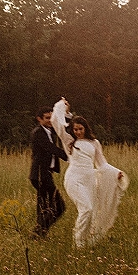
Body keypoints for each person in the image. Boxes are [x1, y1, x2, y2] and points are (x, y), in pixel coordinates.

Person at [51, 97, 128, 248]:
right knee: (86, 209)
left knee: (91, 213)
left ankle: (86, 242)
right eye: (75, 129)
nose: (78, 132)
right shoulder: (69, 142)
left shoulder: (94, 143)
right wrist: (63, 108)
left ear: (85, 128)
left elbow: (102, 164)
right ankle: (78, 243)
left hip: (90, 180)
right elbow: (56, 122)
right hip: (74, 179)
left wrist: (116, 173)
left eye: (80, 129)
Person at [29, 106, 67, 238]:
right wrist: (68, 156)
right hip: (40, 175)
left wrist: (66, 111)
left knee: (43, 206)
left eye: (51, 117)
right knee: (60, 206)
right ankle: (38, 232)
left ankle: (40, 233)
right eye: (47, 118)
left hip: (45, 174)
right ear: (39, 119)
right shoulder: (38, 132)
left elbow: (65, 127)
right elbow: (50, 148)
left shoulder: (50, 131)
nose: (50, 120)